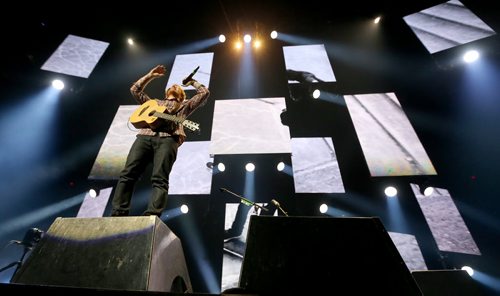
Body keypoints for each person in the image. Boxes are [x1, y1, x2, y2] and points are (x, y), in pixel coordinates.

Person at [111, 65, 210, 217]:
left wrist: (192, 82)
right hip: (144, 136)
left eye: (178, 87)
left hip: (168, 139)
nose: (175, 86)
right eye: (172, 86)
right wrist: (150, 76)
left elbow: (204, 92)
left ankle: (152, 215)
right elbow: (135, 90)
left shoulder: (184, 105)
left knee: (160, 178)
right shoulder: (153, 103)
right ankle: (119, 212)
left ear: (182, 95)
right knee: (128, 173)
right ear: (166, 93)